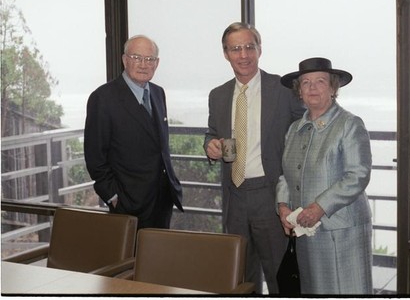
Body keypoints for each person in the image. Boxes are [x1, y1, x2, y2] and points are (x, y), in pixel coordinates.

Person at [204, 22, 305, 294]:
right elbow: (212, 133)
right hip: (234, 196)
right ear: (226, 54)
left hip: (270, 195)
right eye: (236, 49)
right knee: (239, 277)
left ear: (260, 49)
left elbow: (305, 132)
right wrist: (210, 146)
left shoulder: (284, 89)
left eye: (249, 47)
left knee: (278, 275)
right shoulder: (218, 95)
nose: (244, 54)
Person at [276, 57, 373, 295]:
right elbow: (286, 175)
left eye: (320, 81)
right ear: (299, 91)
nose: (312, 88)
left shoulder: (349, 124)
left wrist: (319, 207)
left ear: (333, 88)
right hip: (306, 231)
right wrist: (282, 206)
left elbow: (357, 175)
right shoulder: (294, 129)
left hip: (342, 232)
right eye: (306, 83)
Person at [84, 35, 183, 230]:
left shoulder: (158, 93)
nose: (144, 64)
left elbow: (158, 146)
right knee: (132, 260)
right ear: (124, 59)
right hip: (128, 204)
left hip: (162, 199)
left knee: (158, 259)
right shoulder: (103, 98)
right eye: (137, 57)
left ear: (157, 63)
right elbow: (95, 157)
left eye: (150, 59)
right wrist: (113, 197)